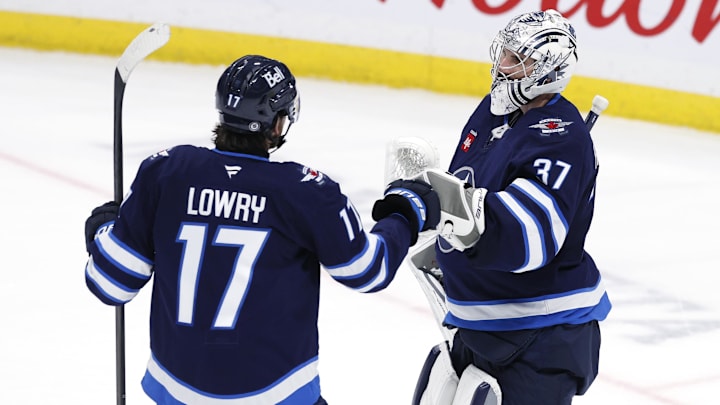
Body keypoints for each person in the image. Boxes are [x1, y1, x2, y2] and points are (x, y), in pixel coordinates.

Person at [83, 54, 440, 405]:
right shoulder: (305, 191)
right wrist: (405, 212)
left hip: (175, 390)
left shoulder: (165, 172)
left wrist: (104, 227)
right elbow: (367, 269)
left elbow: (111, 282)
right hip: (275, 395)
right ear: (278, 123)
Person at [413, 9, 611, 405]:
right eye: (503, 52)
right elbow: (471, 182)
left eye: (515, 58)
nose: (501, 65)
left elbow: (531, 237)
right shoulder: (494, 112)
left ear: (546, 69)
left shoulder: (560, 136)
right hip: (482, 325)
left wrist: (459, 217)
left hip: (537, 335)